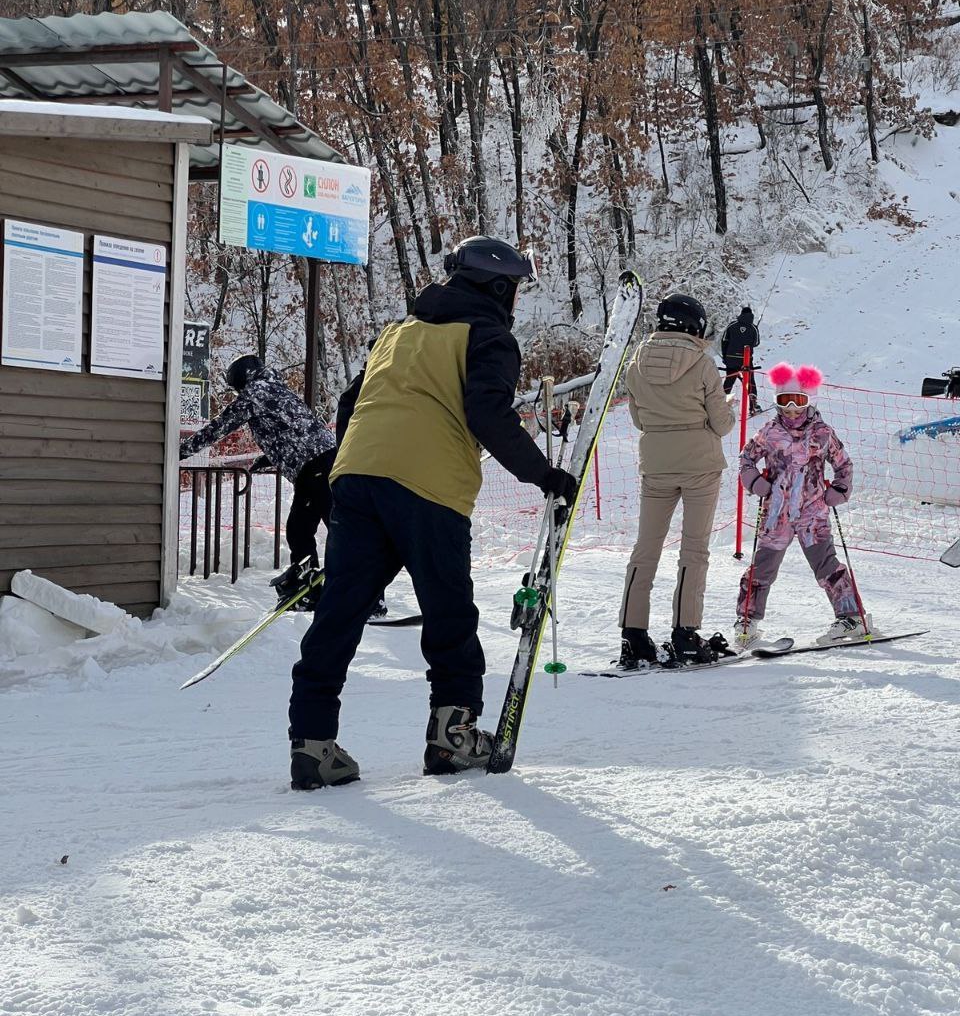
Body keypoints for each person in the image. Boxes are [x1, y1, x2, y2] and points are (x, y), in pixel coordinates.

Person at [287, 236, 577, 789]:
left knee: (340, 614)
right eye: (513, 287)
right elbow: (487, 413)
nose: (514, 299)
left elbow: (351, 403)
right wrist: (545, 475)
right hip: (427, 485)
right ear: (497, 288)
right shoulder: (489, 336)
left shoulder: (398, 334)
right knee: (447, 612)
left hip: (357, 475)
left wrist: (357, 465)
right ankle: (452, 737)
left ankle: (312, 744)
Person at [617, 293, 736, 670]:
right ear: (694, 326)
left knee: (645, 548)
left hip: (656, 464)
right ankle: (685, 634)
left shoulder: (635, 363)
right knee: (694, 549)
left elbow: (638, 419)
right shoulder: (702, 365)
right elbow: (723, 424)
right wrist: (724, 406)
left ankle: (633, 635)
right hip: (700, 464)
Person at [179, 355, 336, 608]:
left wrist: (184, 450)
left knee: (333, 529)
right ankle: (311, 587)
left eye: (237, 387)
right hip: (320, 463)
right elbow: (293, 428)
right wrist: (270, 457)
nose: (239, 393)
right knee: (302, 528)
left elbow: (222, 426)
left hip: (316, 467)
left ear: (244, 379)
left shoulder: (256, 392)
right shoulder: (275, 387)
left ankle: (363, 596)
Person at [735, 363, 865, 647]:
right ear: (777, 402)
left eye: (799, 402)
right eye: (785, 402)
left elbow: (843, 464)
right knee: (763, 567)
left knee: (826, 564)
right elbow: (746, 459)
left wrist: (839, 490)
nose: (792, 409)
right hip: (776, 514)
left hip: (813, 513)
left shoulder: (822, 433)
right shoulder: (768, 432)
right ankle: (747, 620)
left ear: (809, 401)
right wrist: (755, 482)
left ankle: (851, 617)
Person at [721, 305, 760, 413]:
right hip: (746, 360)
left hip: (731, 359)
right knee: (750, 382)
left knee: (729, 381)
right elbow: (756, 343)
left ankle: (722, 404)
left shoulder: (732, 325)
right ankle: (753, 406)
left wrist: (725, 356)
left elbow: (724, 341)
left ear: (741, 314)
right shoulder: (753, 328)